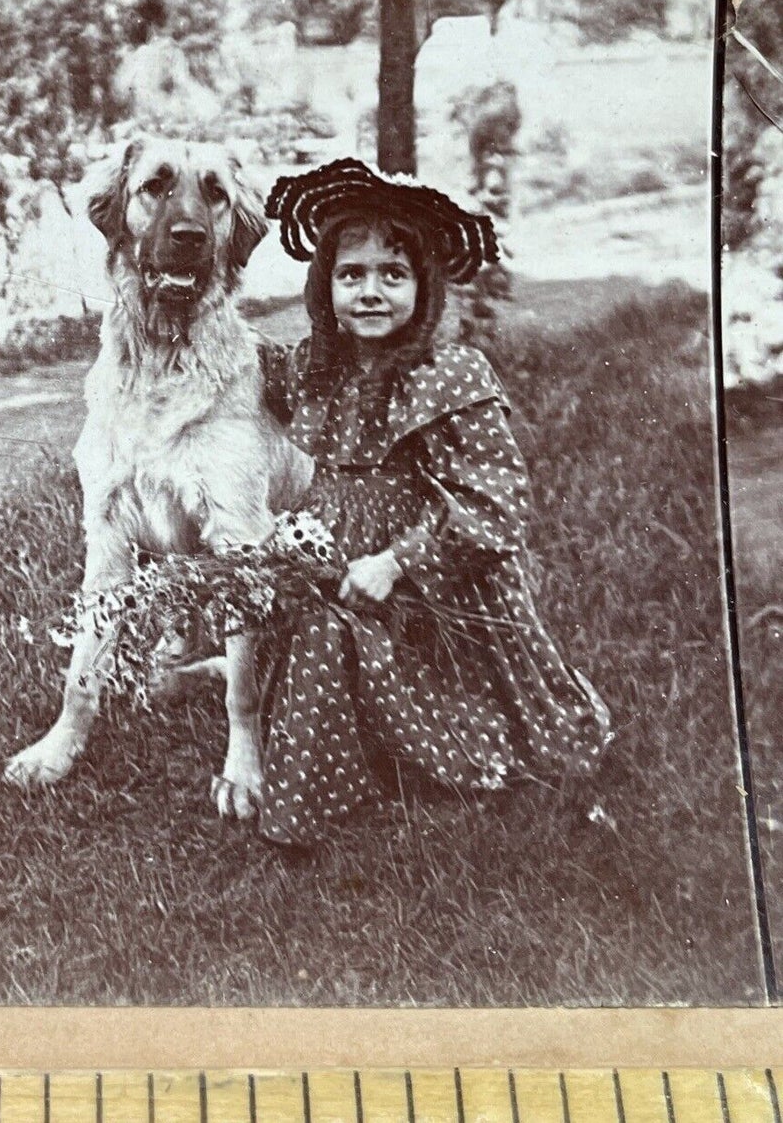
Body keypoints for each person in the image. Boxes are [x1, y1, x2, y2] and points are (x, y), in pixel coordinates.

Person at [254, 158, 611, 846]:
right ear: (323, 286)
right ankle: (340, 771)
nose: (369, 292)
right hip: (335, 563)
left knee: (464, 707)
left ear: (425, 287)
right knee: (323, 633)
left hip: (430, 587)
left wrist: (397, 560)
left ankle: (429, 745)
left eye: (393, 275)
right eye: (350, 274)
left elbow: (493, 503)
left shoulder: (448, 375)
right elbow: (249, 371)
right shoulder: (316, 368)